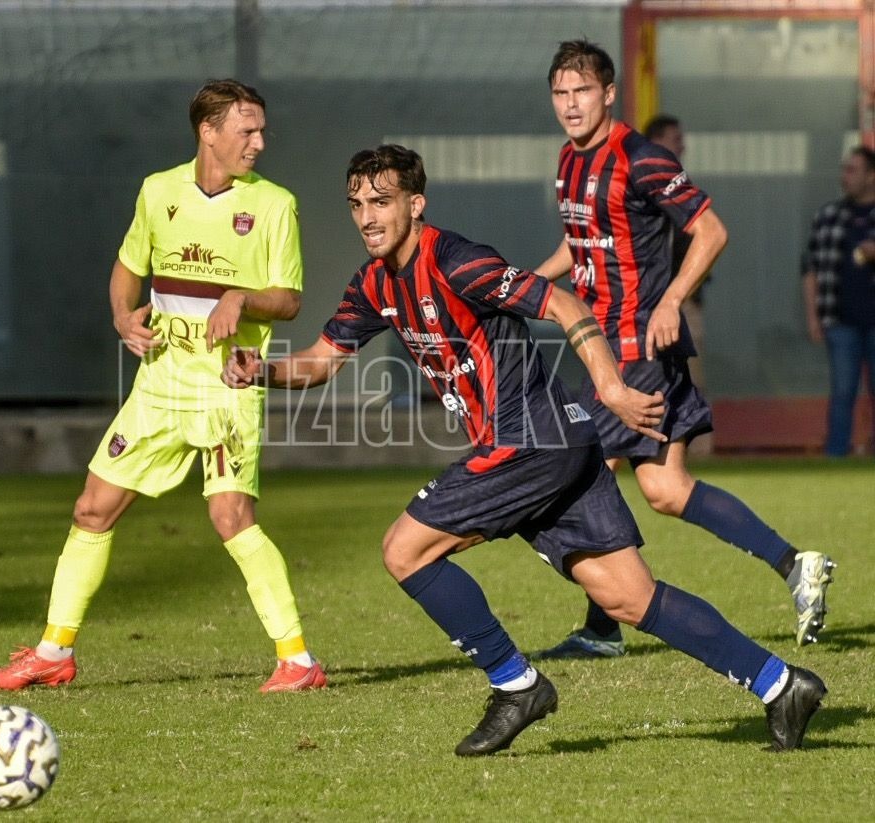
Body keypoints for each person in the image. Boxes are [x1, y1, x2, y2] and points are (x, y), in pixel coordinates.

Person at [222, 144, 826, 755]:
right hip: (557, 445)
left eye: (382, 202)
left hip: (529, 440)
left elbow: (562, 302)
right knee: (627, 596)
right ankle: (782, 685)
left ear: (416, 203)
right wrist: (261, 369)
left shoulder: (458, 261)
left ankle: (518, 685)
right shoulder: (375, 283)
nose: (368, 217)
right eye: (357, 205)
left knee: (404, 550)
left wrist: (612, 387)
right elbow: (323, 362)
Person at [0, 79, 326, 694]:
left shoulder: (275, 204)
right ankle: (53, 652)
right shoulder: (157, 191)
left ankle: (298, 662)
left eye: (262, 130)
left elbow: (292, 299)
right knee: (92, 508)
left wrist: (241, 297)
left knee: (231, 516)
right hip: (160, 384)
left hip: (228, 385)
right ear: (208, 131)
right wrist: (122, 315)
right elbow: (128, 266)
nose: (259, 141)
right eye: (247, 130)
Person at [533, 40, 836, 659]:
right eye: (561, 93)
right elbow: (582, 243)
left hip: (640, 347)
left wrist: (672, 299)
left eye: (582, 91)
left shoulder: (641, 158)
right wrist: (524, 290)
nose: (570, 104)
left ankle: (603, 626)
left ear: (609, 94)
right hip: (609, 349)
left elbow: (711, 230)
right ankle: (794, 564)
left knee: (582, 470)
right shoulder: (568, 159)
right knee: (667, 490)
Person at [644, 114, 713, 457]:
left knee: (690, 381)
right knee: (645, 382)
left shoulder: (678, 186)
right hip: (646, 305)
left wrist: (681, 296)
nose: (682, 145)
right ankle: (649, 452)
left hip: (682, 302)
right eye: (675, 138)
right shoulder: (641, 183)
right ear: (656, 141)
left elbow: (712, 234)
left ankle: (699, 453)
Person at [802, 146, 875, 457]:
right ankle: (836, 455)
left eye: (853, 170)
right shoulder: (829, 216)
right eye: (845, 169)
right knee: (843, 391)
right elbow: (809, 269)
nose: (845, 176)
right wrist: (813, 317)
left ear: (871, 176)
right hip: (840, 321)